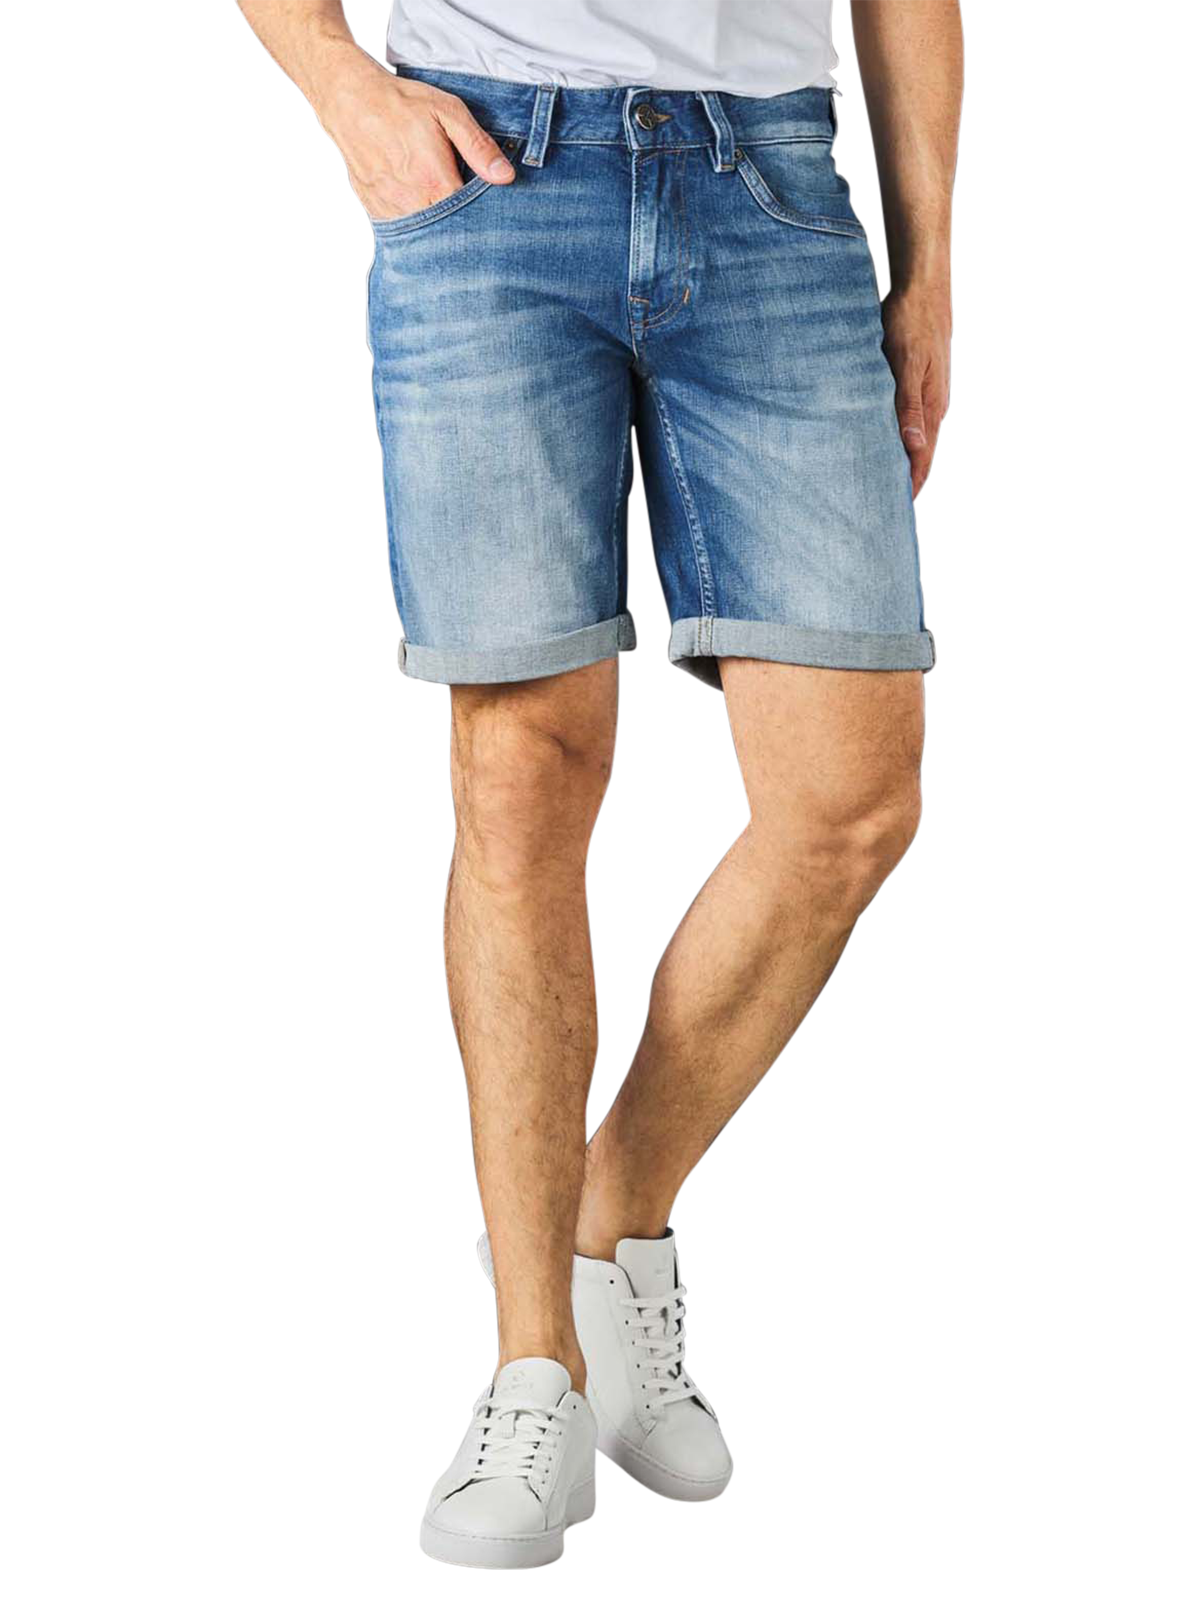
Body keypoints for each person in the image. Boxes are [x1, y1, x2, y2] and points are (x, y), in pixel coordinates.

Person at [238, 0, 963, 1570]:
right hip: (486, 166)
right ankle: (533, 1371)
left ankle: (601, 1225)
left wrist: (926, 268)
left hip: (774, 181)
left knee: (850, 806)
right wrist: (343, 85)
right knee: (520, 779)